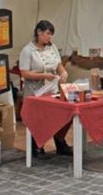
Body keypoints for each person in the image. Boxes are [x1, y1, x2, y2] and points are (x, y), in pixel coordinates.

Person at [19, 20, 72, 157]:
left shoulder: (52, 47)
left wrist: (63, 72)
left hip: (52, 90)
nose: (49, 37)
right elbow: (24, 73)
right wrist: (43, 75)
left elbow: (58, 65)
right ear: (39, 32)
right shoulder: (28, 51)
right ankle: (37, 145)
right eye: (47, 34)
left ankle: (60, 140)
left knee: (62, 115)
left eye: (51, 35)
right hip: (35, 92)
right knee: (39, 119)